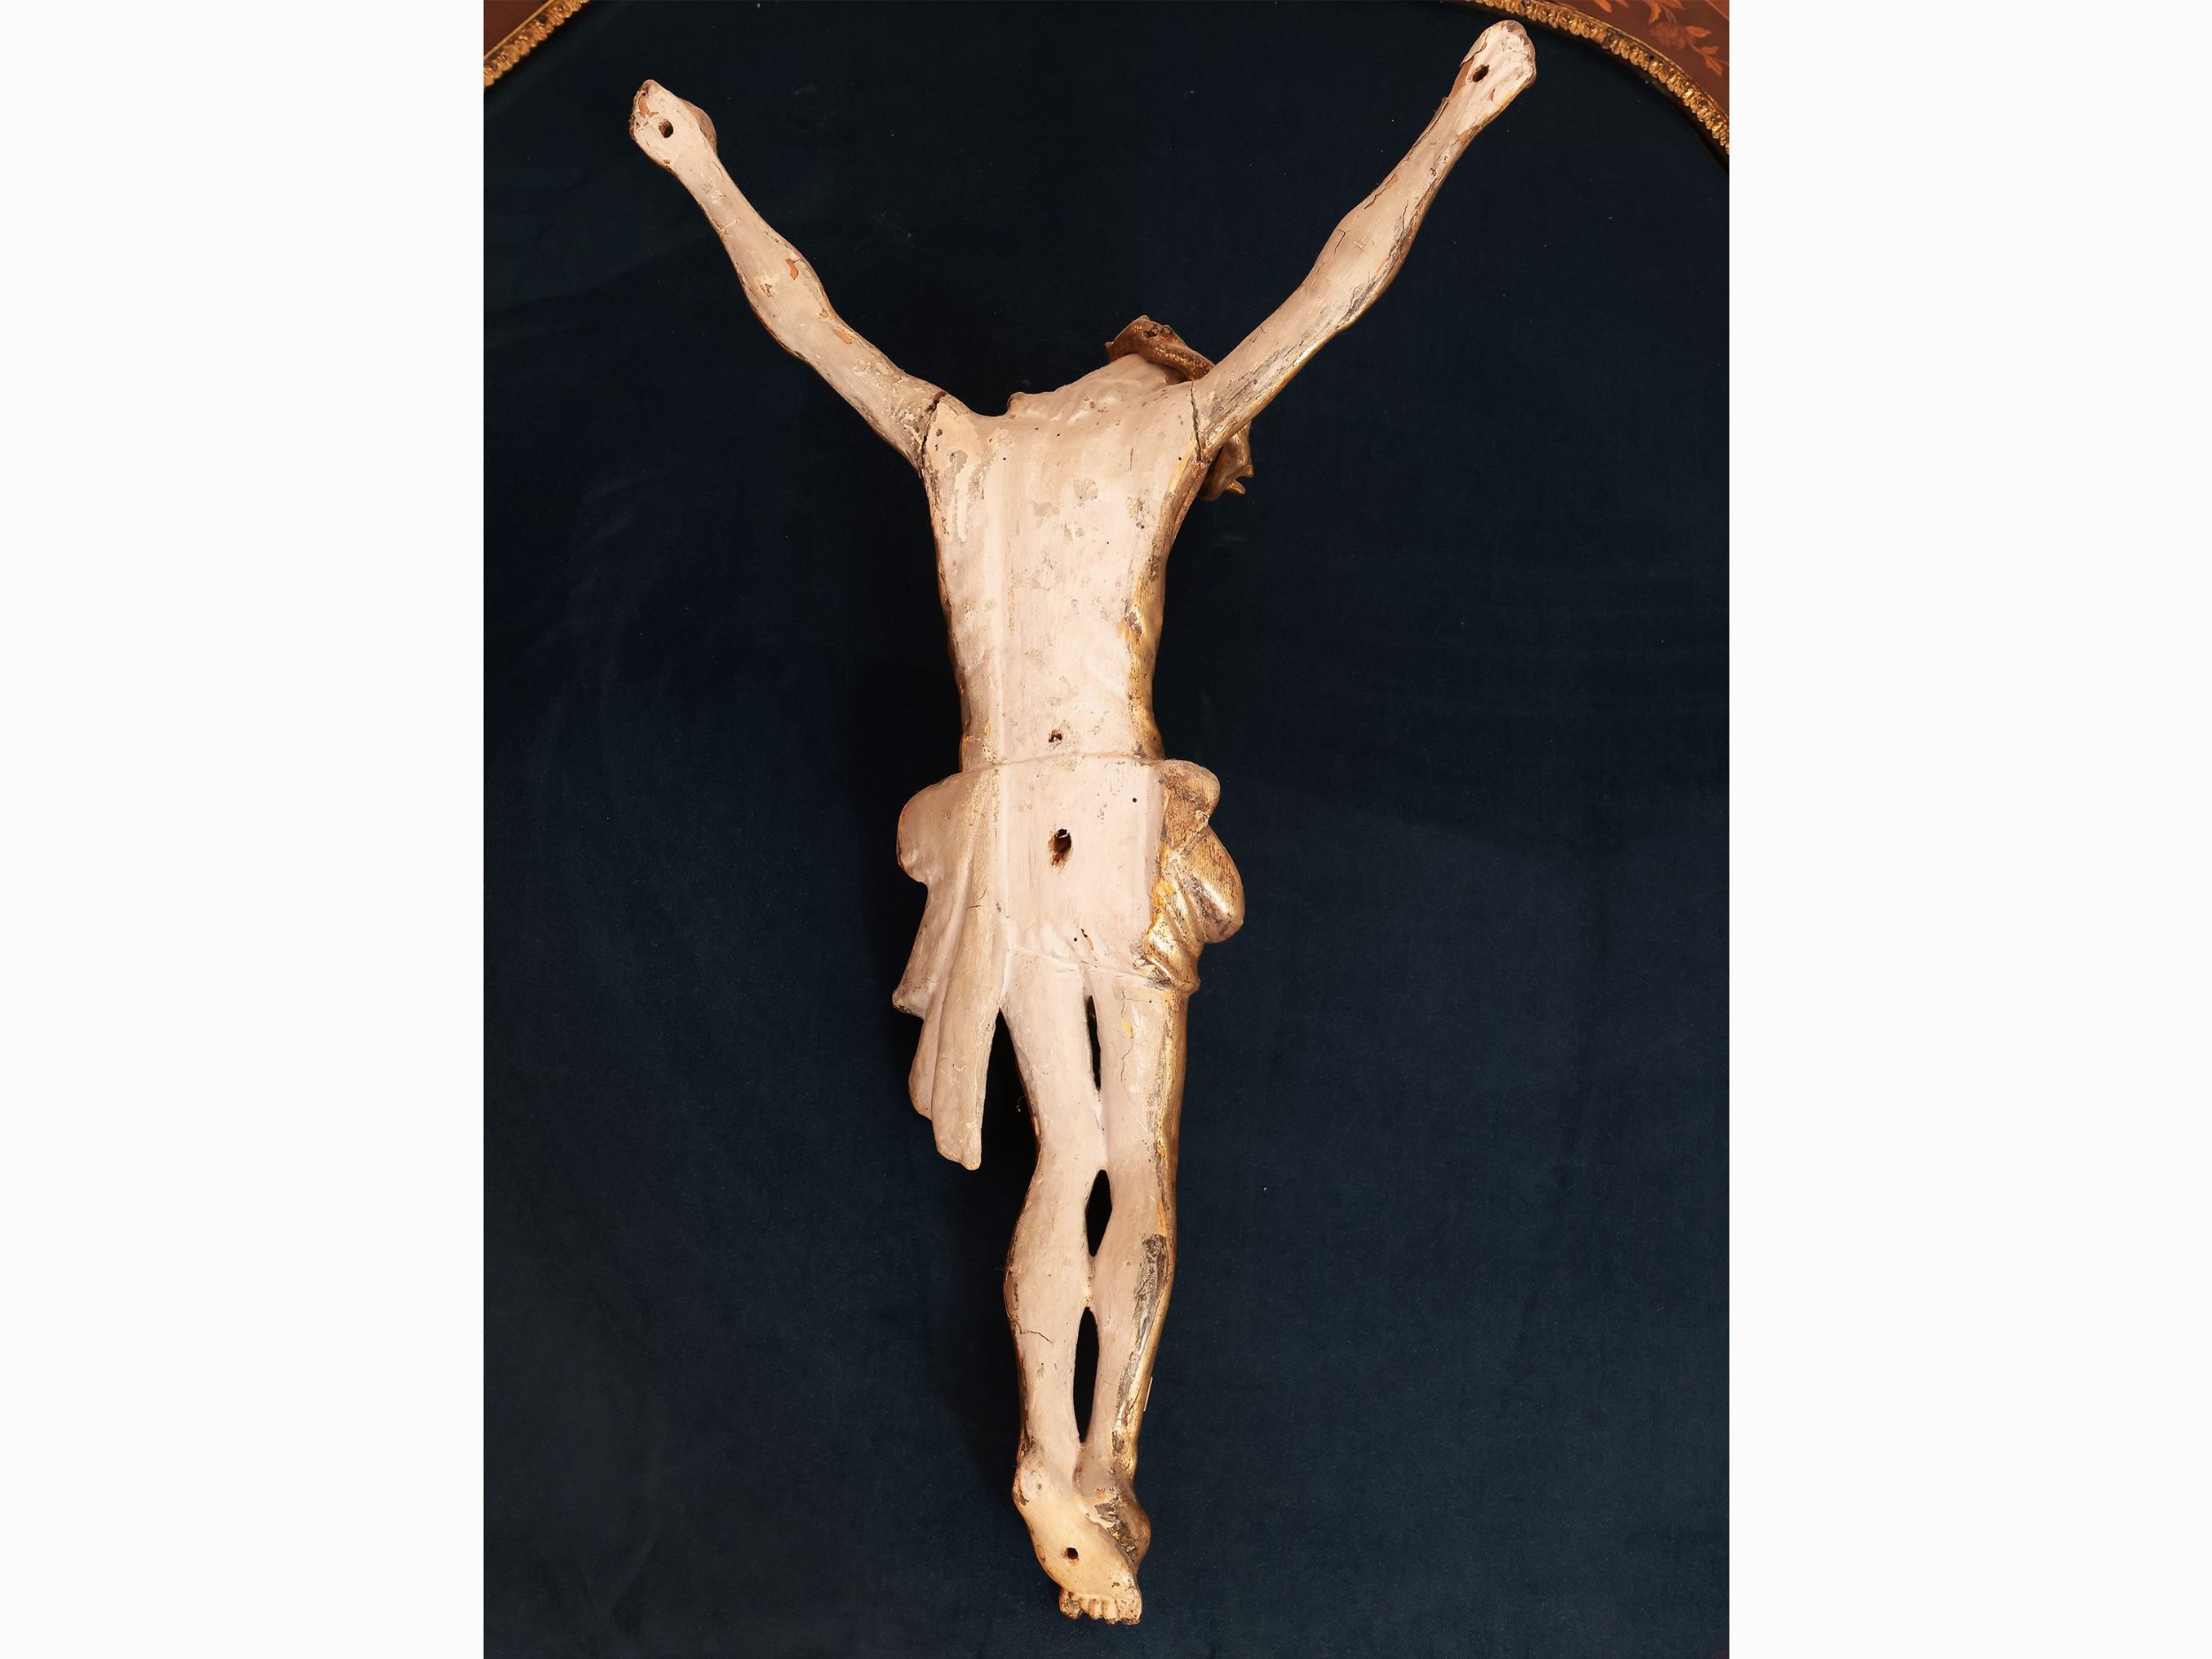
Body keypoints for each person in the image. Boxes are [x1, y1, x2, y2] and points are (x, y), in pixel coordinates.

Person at [630, 21, 1535, 1621]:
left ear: (1139, 376)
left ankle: (1070, 1454)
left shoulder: (983, 447)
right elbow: (1335, 285)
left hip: (1029, 816)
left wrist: (704, 169)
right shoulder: (1106, 437)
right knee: (1126, 1159)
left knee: (1082, 1152)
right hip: (1094, 816)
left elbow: (807, 318)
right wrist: (1455, 123)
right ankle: (1089, 1457)